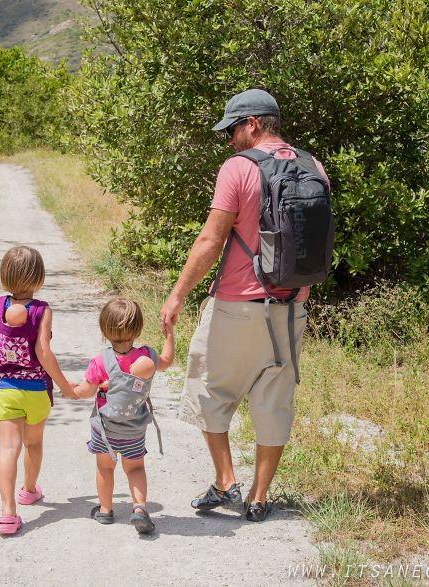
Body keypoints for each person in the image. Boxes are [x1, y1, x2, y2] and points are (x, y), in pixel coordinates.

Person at [159, 88, 330, 522]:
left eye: (233, 129)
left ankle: (225, 481)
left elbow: (211, 240)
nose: (231, 139)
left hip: (237, 305)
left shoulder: (238, 168)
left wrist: (177, 294)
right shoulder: (314, 167)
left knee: (209, 390)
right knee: (274, 401)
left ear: (252, 124)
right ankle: (258, 498)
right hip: (292, 306)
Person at [0, 245, 75, 536]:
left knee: (8, 448)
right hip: (36, 392)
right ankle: (29, 491)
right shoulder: (41, 310)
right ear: (39, 277)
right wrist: (64, 385)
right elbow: (43, 351)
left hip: (6, 390)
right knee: (33, 444)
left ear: (4, 276)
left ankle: (7, 513)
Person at [72, 298, 174, 534]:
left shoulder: (101, 360)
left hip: (105, 430)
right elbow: (168, 361)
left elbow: (86, 391)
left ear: (103, 329)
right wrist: (169, 335)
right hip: (134, 428)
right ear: (138, 329)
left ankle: (105, 510)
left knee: (105, 468)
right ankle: (139, 509)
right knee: (135, 469)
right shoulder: (146, 356)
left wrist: (71, 391)